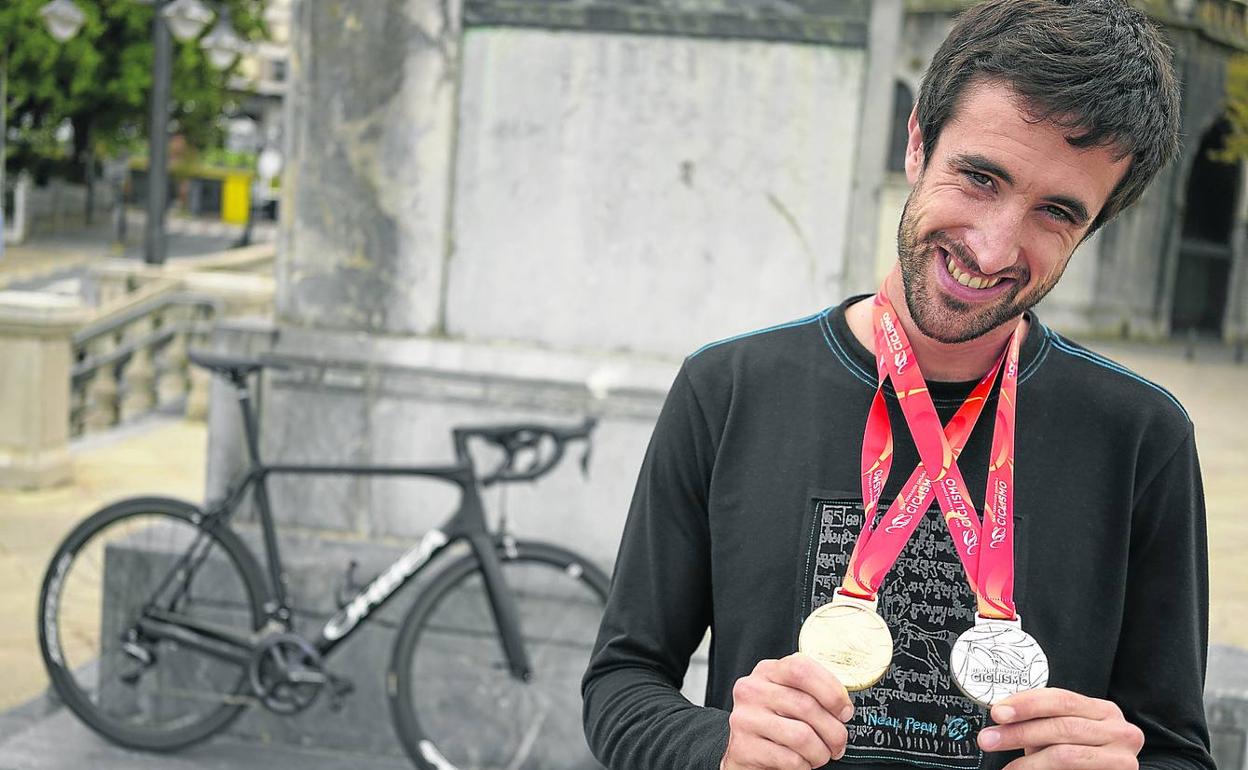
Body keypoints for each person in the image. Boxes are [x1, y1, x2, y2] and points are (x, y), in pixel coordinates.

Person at [581, 1, 1217, 769]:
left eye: (1056, 212)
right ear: (917, 142)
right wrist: (717, 746)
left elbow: (1176, 750)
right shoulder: (728, 389)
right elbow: (621, 683)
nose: (993, 248)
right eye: (979, 177)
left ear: (1094, 225)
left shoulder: (1141, 437)